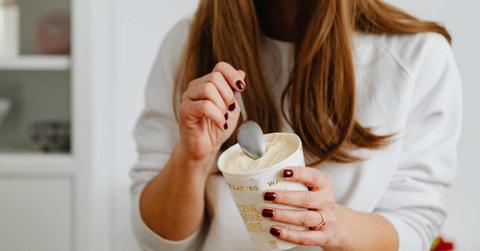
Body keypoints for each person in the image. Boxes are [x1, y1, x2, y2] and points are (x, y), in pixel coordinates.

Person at [129, 0, 462, 250]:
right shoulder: (186, 46)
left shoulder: (417, 56)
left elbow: (414, 228)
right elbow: (156, 239)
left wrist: (335, 224)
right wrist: (192, 159)